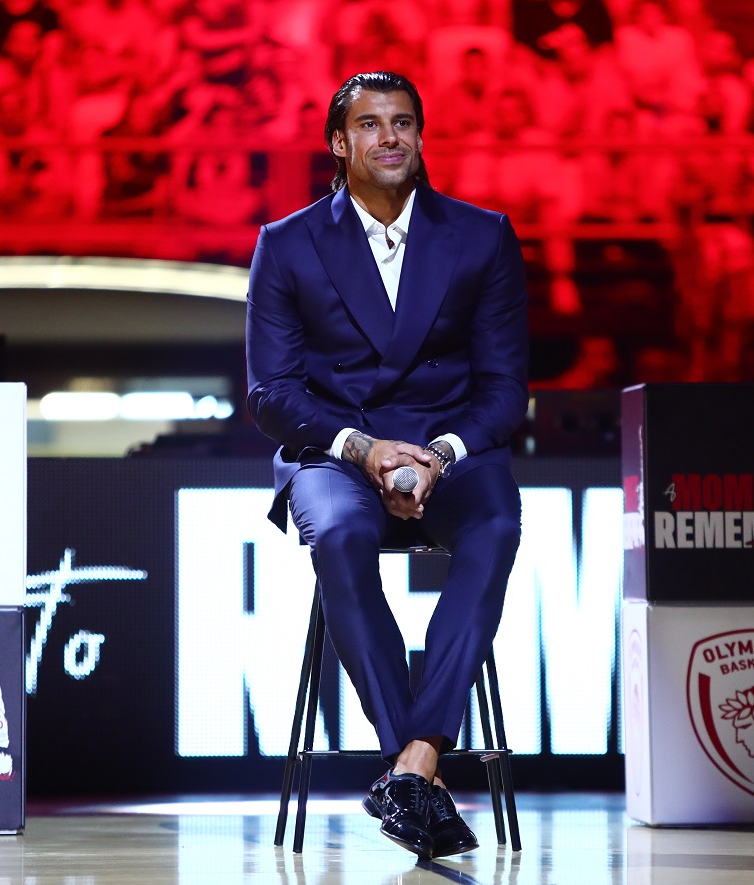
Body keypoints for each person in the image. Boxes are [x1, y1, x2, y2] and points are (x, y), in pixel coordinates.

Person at [245, 71, 527, 860]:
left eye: (403, 122)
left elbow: (506, 388)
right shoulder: (287, 243)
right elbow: (270, 393)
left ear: (421, 136)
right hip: (337, 449)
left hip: (451, 449)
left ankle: (414, 762)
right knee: (339, 533)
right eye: (369, 124)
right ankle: (411, 757)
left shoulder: (482, 236)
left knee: (497, 524)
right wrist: (363, 449)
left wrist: (438, 454)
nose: (390, 136)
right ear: (339, 144)